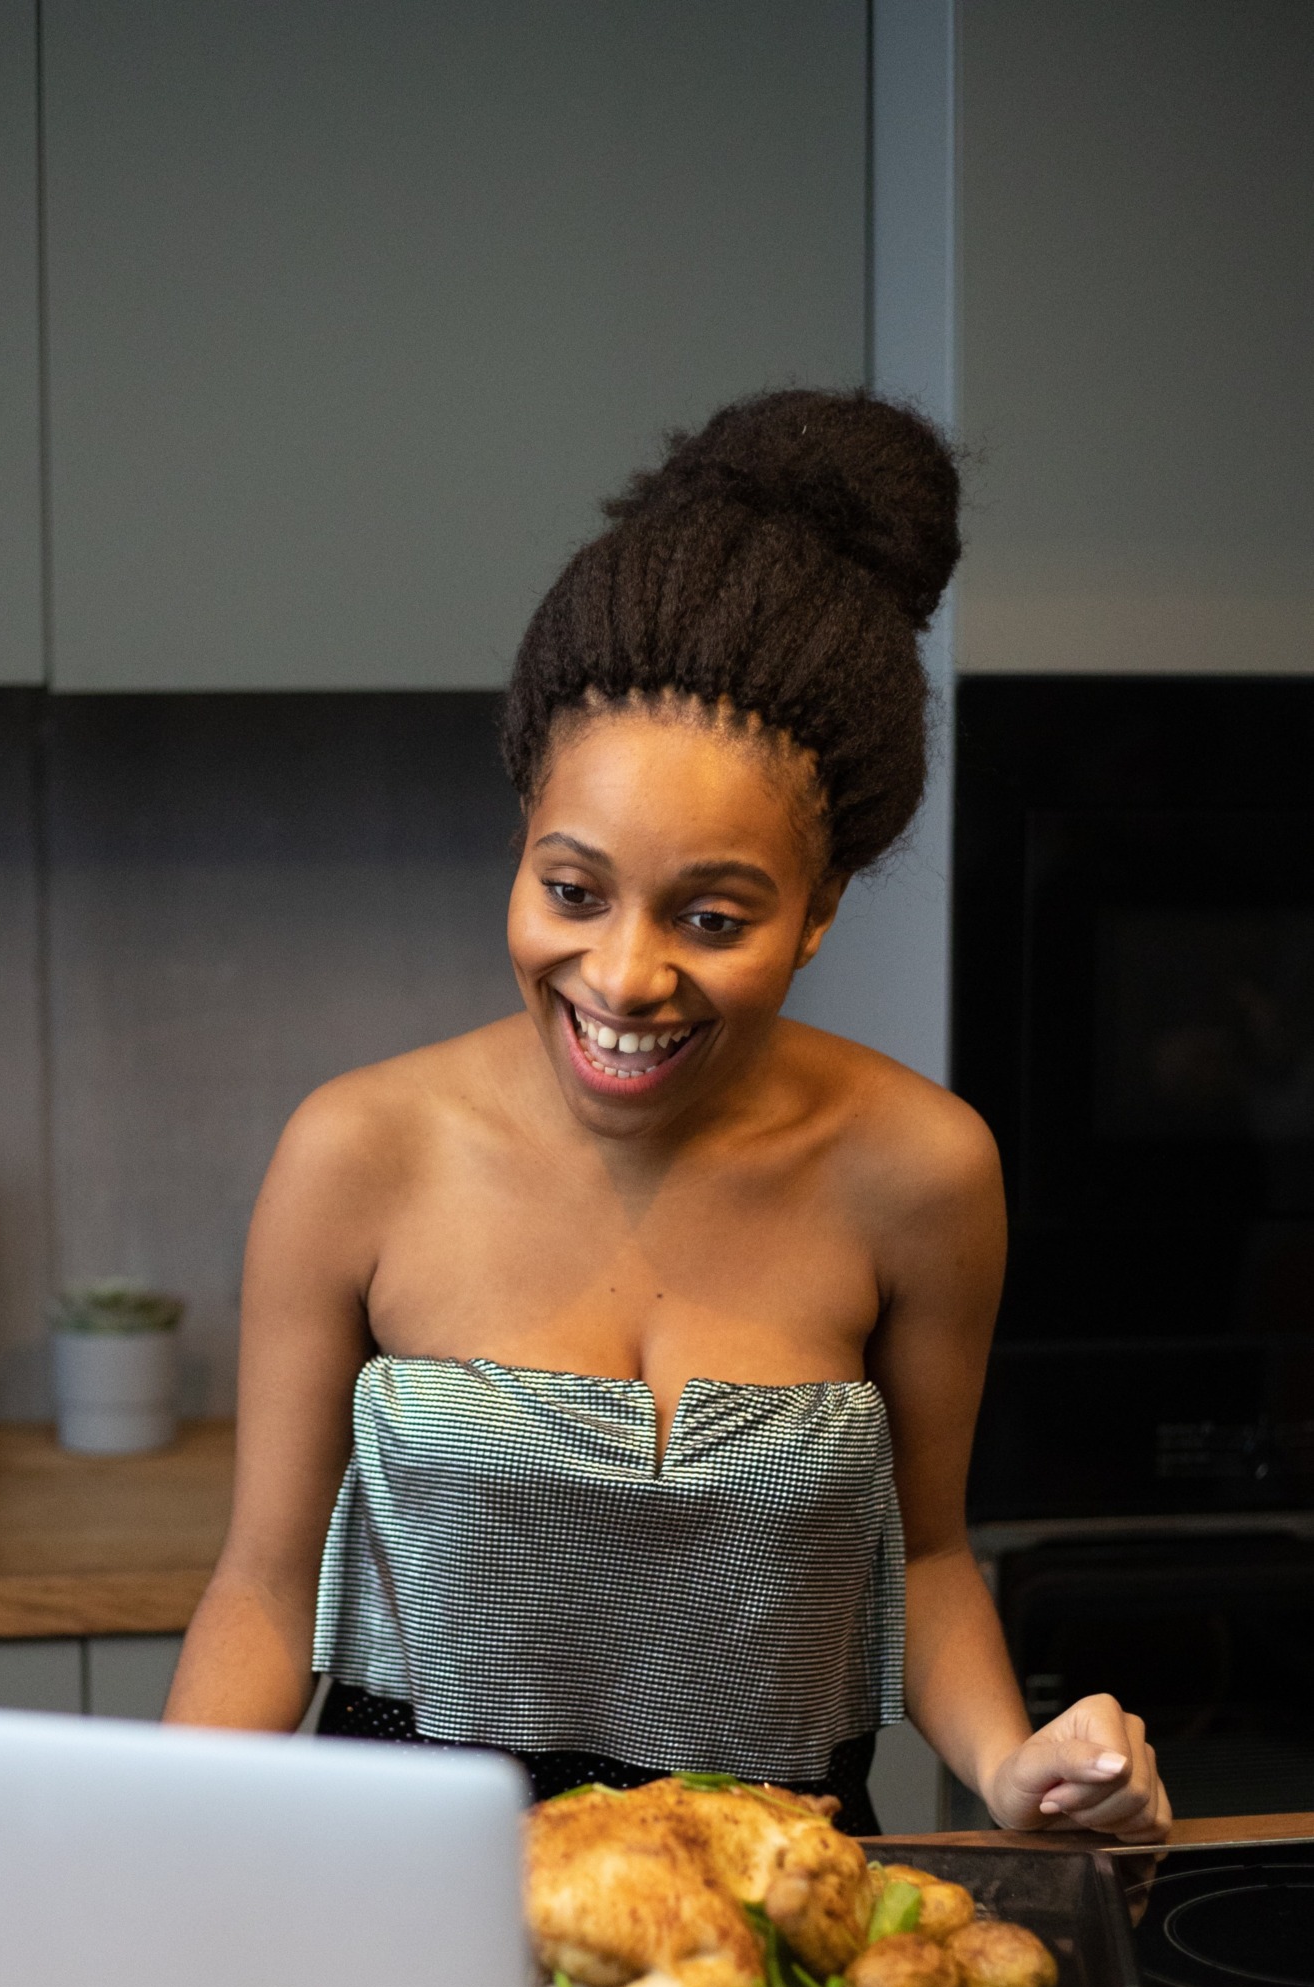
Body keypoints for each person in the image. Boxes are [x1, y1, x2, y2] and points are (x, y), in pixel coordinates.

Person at [166, 386, 1170, 1845]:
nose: (625, 976)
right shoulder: (359, 1154)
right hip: (407, 1894)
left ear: (819, 910)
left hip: (783, 1911)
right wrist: (141, 1863)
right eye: (572, 891)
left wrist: (1013, 1765)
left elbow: (932, 1558)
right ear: (521, 834)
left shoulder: (922, 1174)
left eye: (711, 913)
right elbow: (262, 1588)